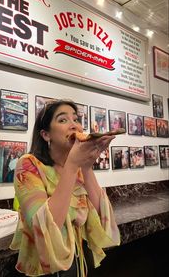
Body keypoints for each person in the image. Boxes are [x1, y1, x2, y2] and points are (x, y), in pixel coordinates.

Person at [10, 99, 120, 276]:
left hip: (80, 260)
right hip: (46, 266)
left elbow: (103, 218)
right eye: (63, 120)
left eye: (76, 119)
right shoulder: (28, 165)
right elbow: (44, 228)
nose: (74, 125)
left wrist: (86, 165)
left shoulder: (78, 168)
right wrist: (73, 164)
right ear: (46, 135)